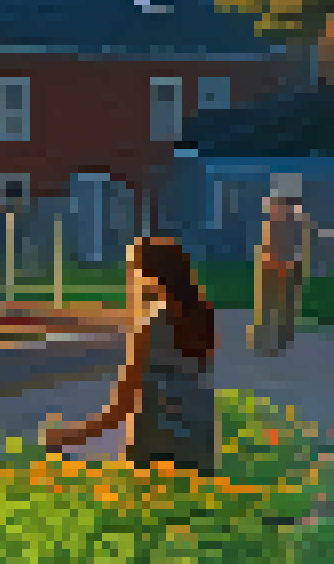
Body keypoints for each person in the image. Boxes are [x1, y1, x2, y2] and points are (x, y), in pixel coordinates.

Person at [44, 236, 217, 476]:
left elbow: (121, 407)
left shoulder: (151, 326)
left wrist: (67, 436)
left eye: (133, 269)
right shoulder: (203, 319)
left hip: (159, 440)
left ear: (148, 273)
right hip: (201, 436)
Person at [252, 188, 316, 357]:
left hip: (285, 269)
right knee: (271, 306)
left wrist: (298, 268)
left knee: (282, 307)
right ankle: (268, 339)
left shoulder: (296, 224)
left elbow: (301, 247)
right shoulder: (277, 223)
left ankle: (277, 339)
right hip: (274, 269)